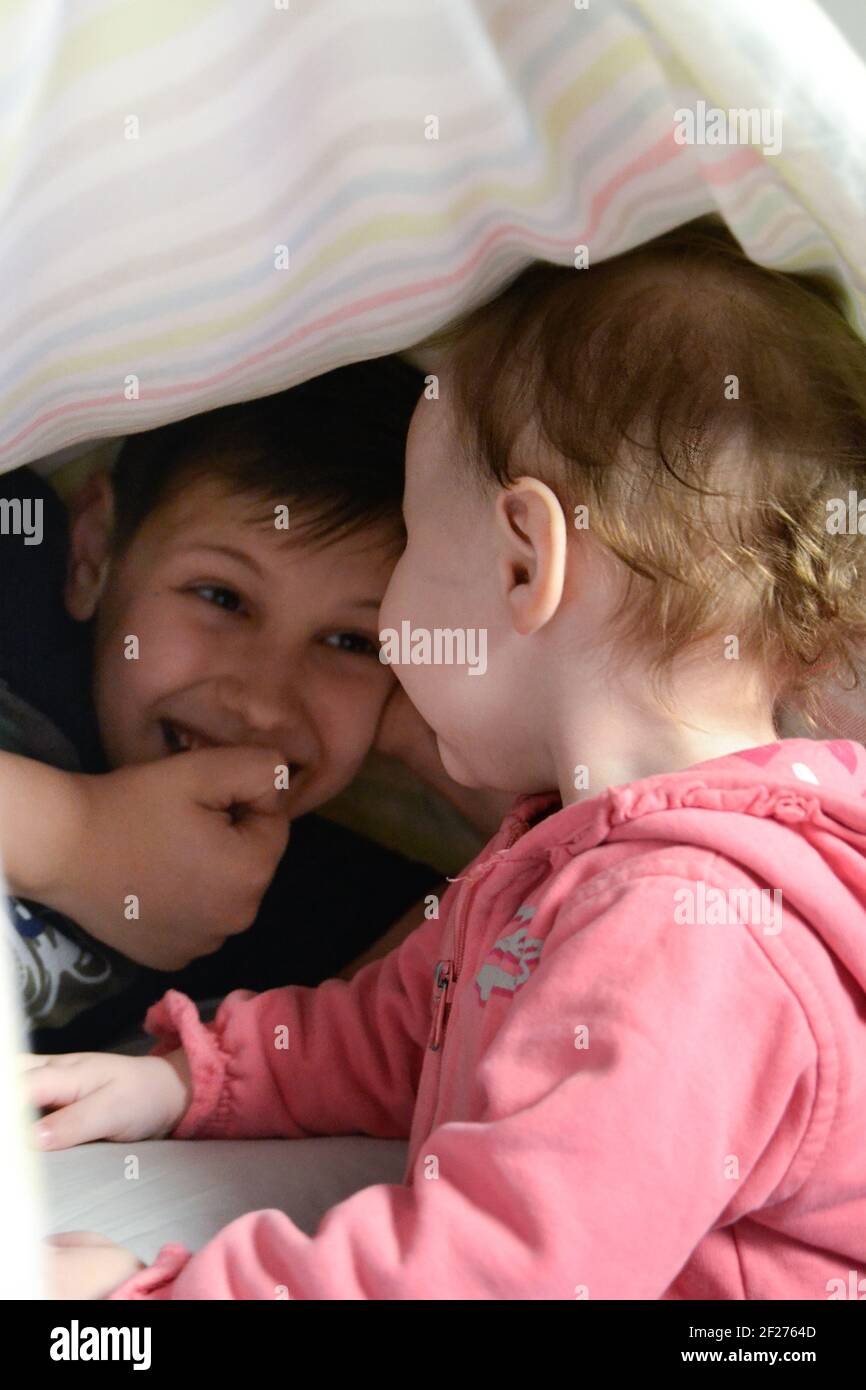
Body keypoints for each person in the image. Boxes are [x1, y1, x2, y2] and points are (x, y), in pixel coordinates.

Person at [26, 215, 866, 1299]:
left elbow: (498, 1274)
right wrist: (200, 1079)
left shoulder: (685, 927)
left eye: (416, 543)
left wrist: (149, 1299)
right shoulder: (576, 856)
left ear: (523, 565)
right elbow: (397, 1031)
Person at [1, 357, 442, 1052]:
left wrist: (443, 731)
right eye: (220, 597)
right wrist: (72, 837)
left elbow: (561, 902)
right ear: (93, 554)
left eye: (351, 641)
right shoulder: (15, 581)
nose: (263, 702)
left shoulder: (323, 915)